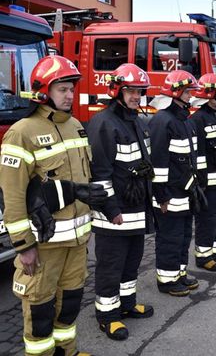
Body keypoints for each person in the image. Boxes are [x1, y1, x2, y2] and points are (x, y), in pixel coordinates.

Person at [0, 55, 104, 356]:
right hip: (43, 246)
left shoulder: (75, 126)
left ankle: (67, 351)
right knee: (40, 311)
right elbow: (13, 196)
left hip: (77, 242)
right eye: (62, 89)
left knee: (70, 304)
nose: (70, 95)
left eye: (71, 88)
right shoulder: (22, 132)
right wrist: (23, 246)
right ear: (44, 91)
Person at [88, 63, 155, 341]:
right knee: (111, 266)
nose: (136, 96)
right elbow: (99, 174)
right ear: (116, 90)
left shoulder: (137, 121)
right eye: (130, 90)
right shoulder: (103, 123)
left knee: (131, 264)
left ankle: (127, 305)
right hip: (114, 214)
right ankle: (107, 316)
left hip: (136, 209)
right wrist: (111, 209)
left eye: (139, 91)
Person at [148, 70, 201, 296]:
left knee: (181, 237)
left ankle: (179, 274)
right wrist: (161, 196)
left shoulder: (184, 121)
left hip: (184, 191)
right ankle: (167, 281)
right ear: (176, 92)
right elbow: (158, 163)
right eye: (188, 92)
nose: (191, 96)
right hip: (168, 194)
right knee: (169, 238)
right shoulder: (163, 121)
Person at [190, 73, 216, 271]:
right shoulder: (198, 119)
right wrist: (201, 180)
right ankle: (203, 256)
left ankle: (214, 252)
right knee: (207, 220)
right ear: (209, 95)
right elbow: (197, 153)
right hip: (209, 183)